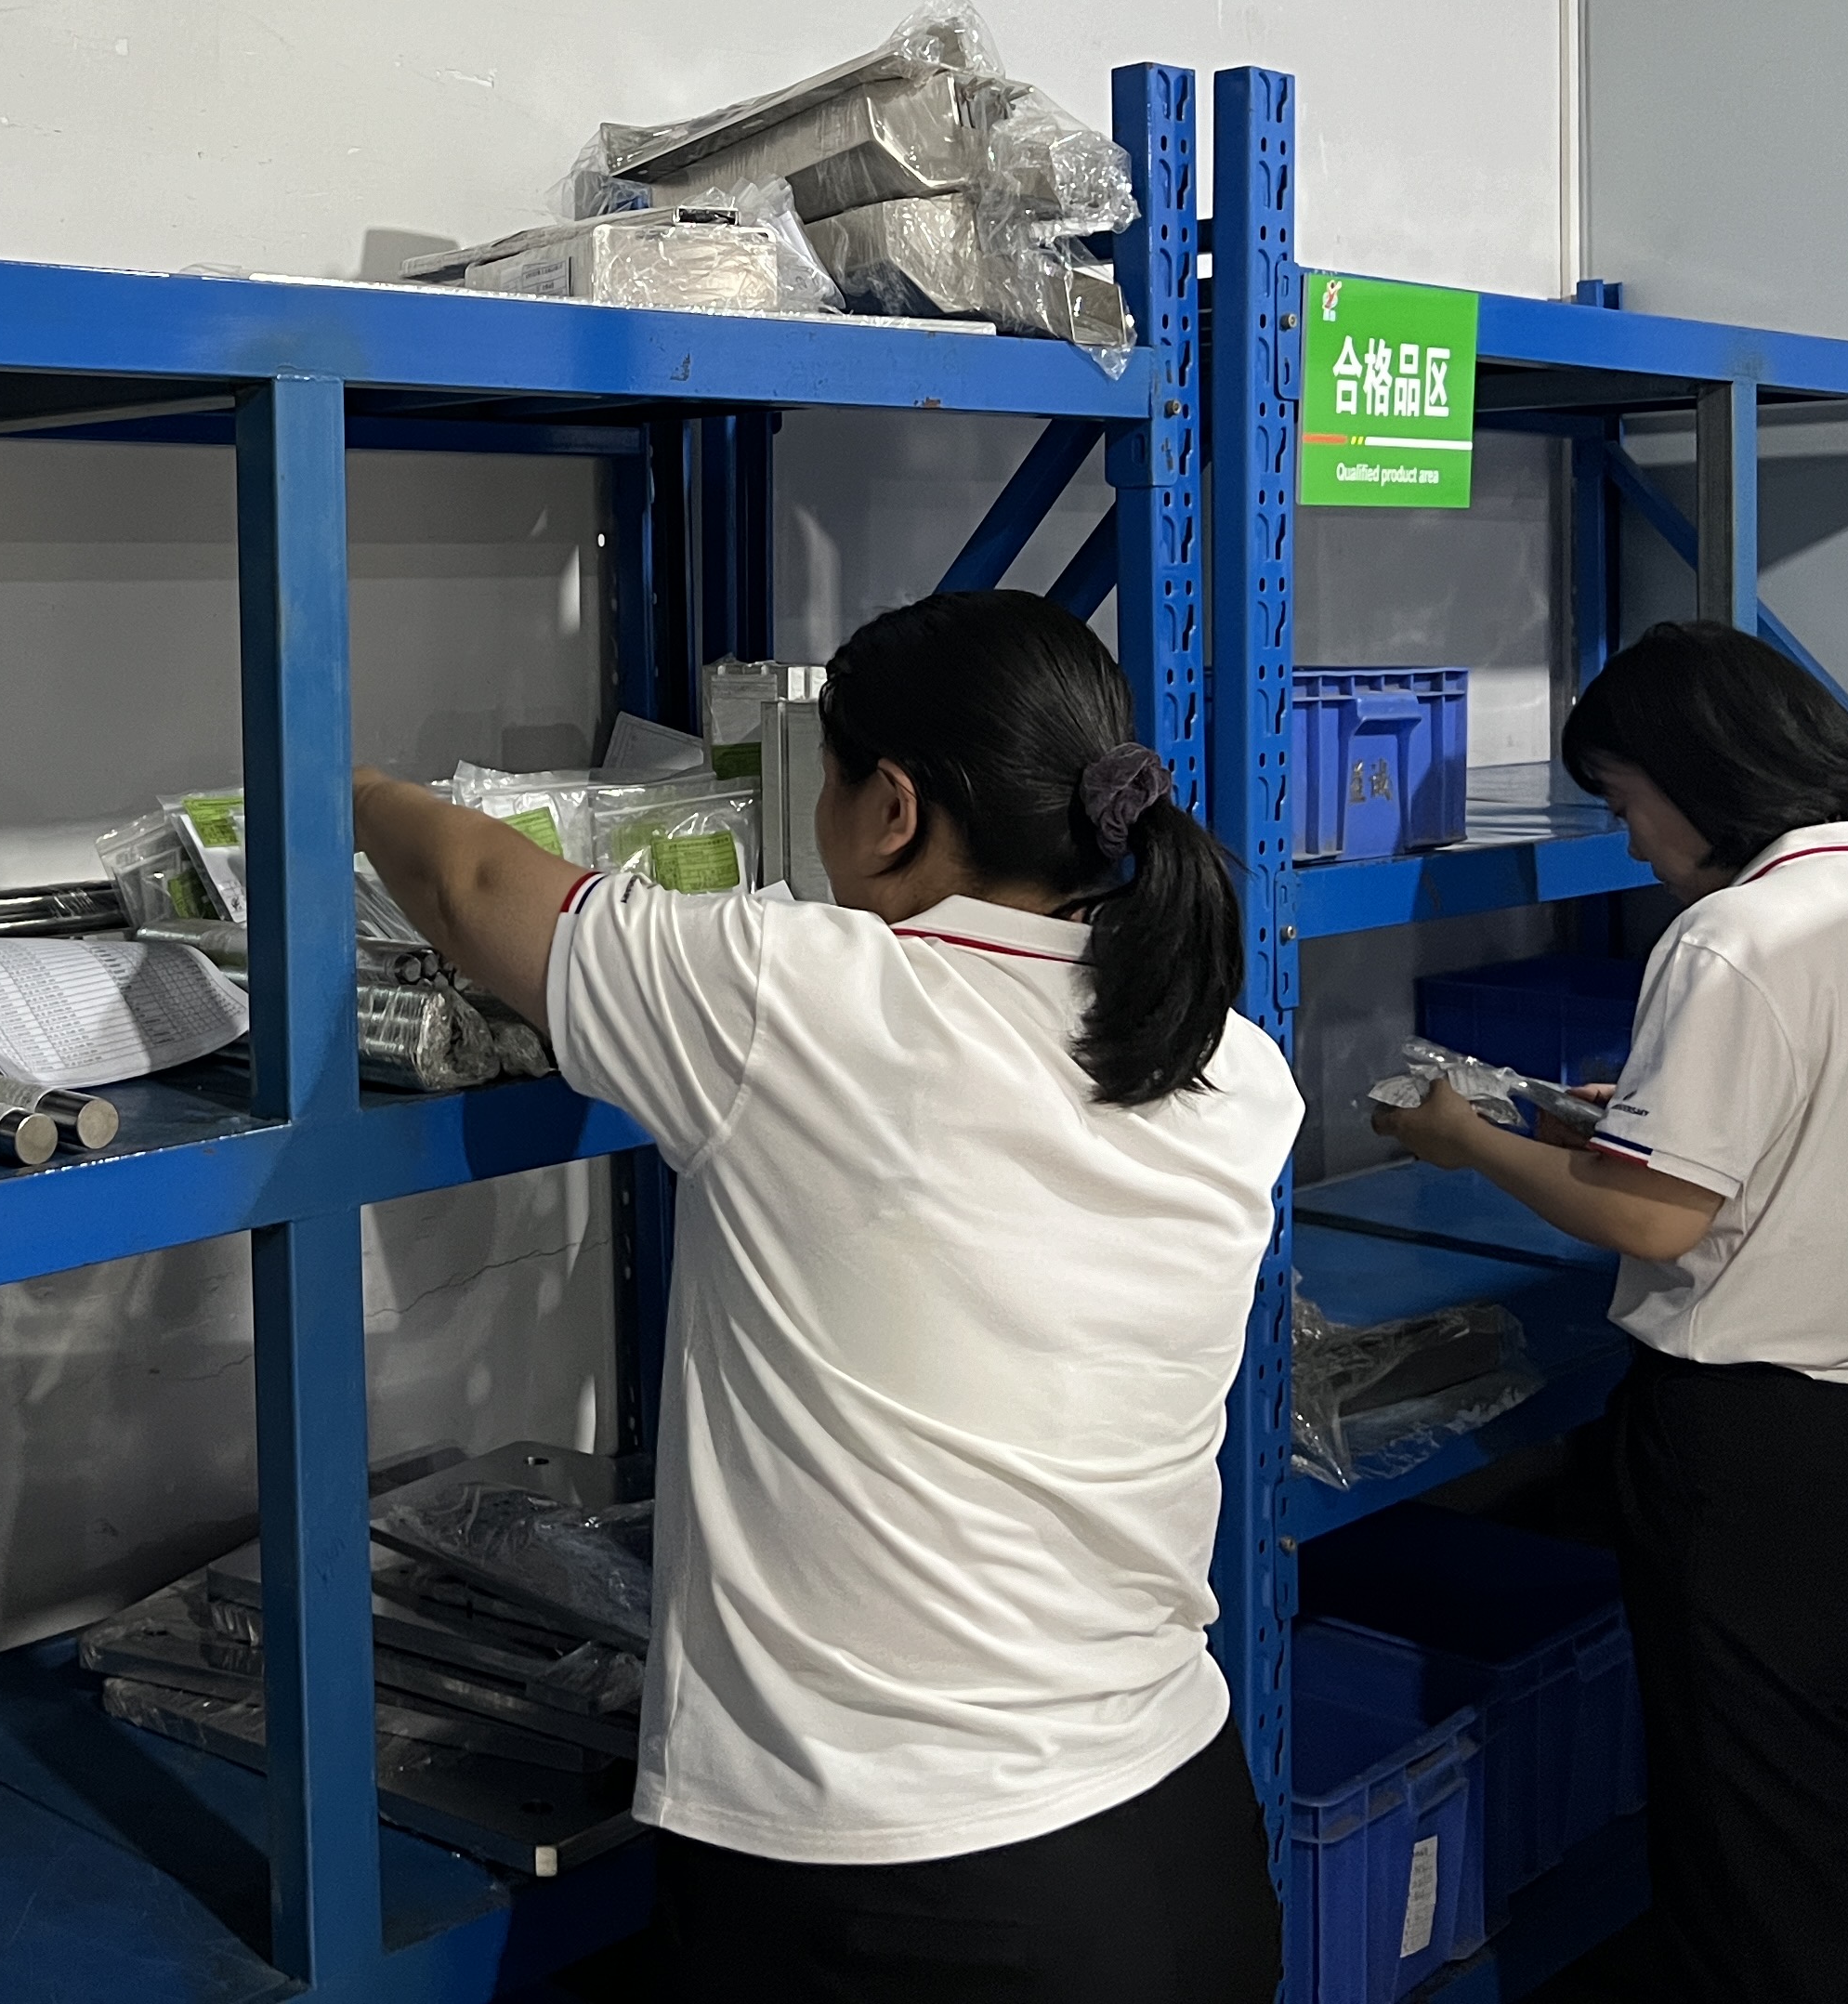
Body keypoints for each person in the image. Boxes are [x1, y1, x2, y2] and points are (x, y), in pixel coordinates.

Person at [355, 589, 1298, 2003]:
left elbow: (472, 888)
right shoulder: (1230, 1060)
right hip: (1178, 1833)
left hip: (902, 1890)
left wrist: (340, 789)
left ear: (892, 811)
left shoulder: (804, 1004)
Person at [1373, 619, 1848, 2004]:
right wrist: (1652, 1121)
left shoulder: (1731, 939)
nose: (1630, 839)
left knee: (1761, 1855)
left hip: (1771, 1467)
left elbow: (1656, 1221)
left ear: (1701, 775)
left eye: (1625, 801)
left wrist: (1465, 1138)